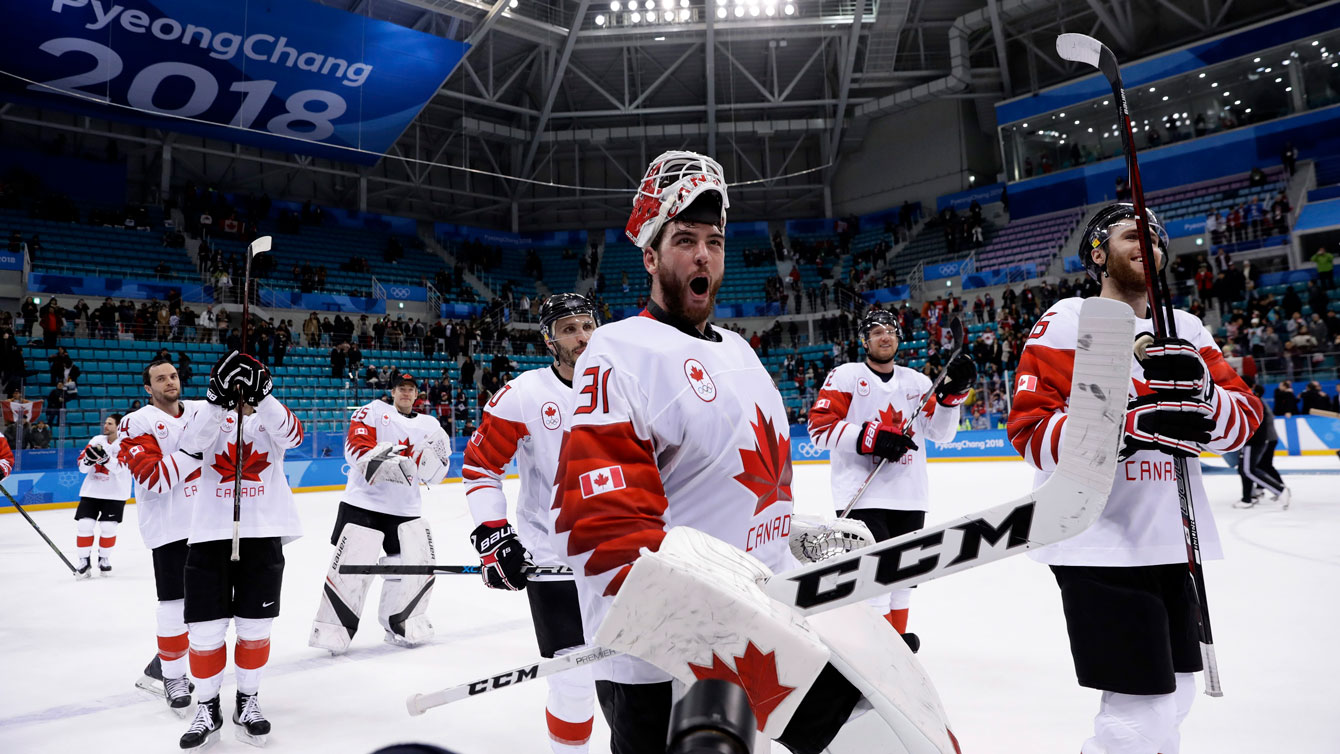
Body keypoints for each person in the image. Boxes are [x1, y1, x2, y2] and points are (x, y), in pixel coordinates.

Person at [552, 151, 942, 754]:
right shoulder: (618, 352)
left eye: (714, 239)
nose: (703, 253)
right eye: (684, 239)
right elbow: (604, 531)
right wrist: (730, 627)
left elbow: (747, 499)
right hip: (666, 660)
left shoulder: (743, 352)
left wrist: (797, 546)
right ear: (652, 256)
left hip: (762, 625)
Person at [1007, 203, 1262, 754]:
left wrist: (1204, 394)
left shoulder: (1187, 328)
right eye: (1130, 234)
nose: (1145, 241)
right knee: (1140, 711)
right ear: (1098, 253)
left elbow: (1243, 421)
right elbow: (1030, 430)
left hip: (1172, 541)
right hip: (1094, 541)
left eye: (1153, 235)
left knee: (1177, 696)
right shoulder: (1070, 318)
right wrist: (1123, 428)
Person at [461, 293, 599, 753]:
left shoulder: (627, 384)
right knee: (573, 682)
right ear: (548, 339)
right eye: (568, 329)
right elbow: (481, 467)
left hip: (624, 554)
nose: (581, 336)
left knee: (633, 675)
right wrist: (493, 534)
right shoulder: (524, 393)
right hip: (553, 556)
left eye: (586, 325)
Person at [805, 308, 974, 648]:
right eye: (876, 331)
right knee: (876, 580)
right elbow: (819, 428)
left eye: (891, 331)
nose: (885, 336)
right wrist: (874, 438)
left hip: (909, 495)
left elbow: (942, 434)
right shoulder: (846, 375)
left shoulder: (918, 382)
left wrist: (952, 396)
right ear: (863, 340)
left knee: (904, 580)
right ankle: (880, 651)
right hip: (861, 495)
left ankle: (896, 647)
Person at [176, 351, 304, 749]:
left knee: (254, 628)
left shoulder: (271, 415)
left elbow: (294, 436)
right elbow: (193, 444)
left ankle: (247, 700)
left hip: (262, 534)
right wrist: (217, 398)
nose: (240, 389)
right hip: (209, 535)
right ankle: (207, 705)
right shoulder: (203, 413)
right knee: (205, 632)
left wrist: (264, 396)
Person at [309, 373, 452, 653]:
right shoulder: (373, 411)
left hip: (406, 509)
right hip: (364, 503)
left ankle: (400, 622)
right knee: (352, 566)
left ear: (416, 394)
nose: (406, 393)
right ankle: (333, 629)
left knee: (407, 569)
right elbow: (356, 447)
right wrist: (376, 461)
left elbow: (439, 465)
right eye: (401, 388)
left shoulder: (430, 425)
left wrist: (435, 468)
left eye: (411, 389)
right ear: (393, 391)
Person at [118, 360, 215, 715]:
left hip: (208, 523)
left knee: (210, 607)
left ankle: (167, 664)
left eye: (172, 376)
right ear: (148, 388)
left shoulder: (202, 409)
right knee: (175, 605)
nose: (169, 382)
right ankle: (168, 673)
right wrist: (194, 450)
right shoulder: (138, 421)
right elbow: (153, 477)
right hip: (171, 529)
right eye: (160, 379)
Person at [73, 414, 131, 578]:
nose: (105, 426)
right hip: (91, 491)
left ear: (119, 426)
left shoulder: (126, 442)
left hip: (116, 493)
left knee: (108, 527)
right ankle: (83, 561)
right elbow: (82, 468)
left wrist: (104, 458)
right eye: (105, 423)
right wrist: (88, 461)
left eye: (110, 423)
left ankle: (104, 558)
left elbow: (120, 467)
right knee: (84, 525)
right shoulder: (96, 440)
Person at [1236, 383, 1289, 509]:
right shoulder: (1254, 401)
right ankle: (1249, 497)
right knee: (1247, 469)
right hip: (1256, 440)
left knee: (1251, 469)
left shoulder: (1253, 402)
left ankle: (1279, 489)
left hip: (1255, 441)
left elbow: (1255, 423)